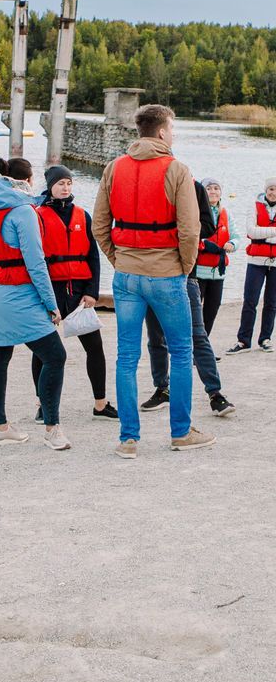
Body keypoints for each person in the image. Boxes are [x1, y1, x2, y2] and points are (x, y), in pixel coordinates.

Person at [92, 102, 214, 457]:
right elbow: (189, 230)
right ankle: (181, 432)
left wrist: (119, 259)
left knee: (126, 357)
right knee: (182, 352)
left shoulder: (114, 167)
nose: (173, 135)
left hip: (127, 275)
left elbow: (99, 225)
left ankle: (128, 439)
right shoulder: (176, 169)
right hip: (166, 274)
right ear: (161, 132)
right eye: (172, 129)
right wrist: (184, 268)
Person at [0, 156, 70, 450]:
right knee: (55, 356)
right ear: (28, 181)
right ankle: (52, 429)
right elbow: (36, 263)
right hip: (19, 295)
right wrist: (51, 304)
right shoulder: (23, 212)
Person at [141, 178, 235, 418]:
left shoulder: (193, 186)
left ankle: (215, 394)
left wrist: (174, 232)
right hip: (151, 273)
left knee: (197, 335)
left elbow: (208, 227)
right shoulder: (147, 185)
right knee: (156, 337)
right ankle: (162, 389)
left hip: (185, 275)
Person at [31, 164, 117, 421]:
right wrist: (43, 297)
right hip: (51, 290)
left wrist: (92, 292)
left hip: (79, 291)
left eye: (68, 183)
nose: (65, 187)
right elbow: (34, 259)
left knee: (95, 347)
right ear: (50, 186)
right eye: (60, 183)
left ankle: (100, 404)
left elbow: (93, 256)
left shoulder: (82, 215)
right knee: (42, 351)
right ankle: (42, 404)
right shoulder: (37, 216)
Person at [227, 178, 276, 354]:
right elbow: (251, 231)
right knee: (250, 301)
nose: (273, 193)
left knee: (271, 303)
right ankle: (243, 341)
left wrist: (263, 233)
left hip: (275, 263)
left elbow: (257, 231)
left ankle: (265, 339)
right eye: (271, 189)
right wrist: (273, 232)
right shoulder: (254, 206)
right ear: (266, 190)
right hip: (256, 261)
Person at [194, 178, 239, 335]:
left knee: (212, 310)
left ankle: (204, 344)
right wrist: (205, 244)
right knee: (194, 311)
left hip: (217, 272)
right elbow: (190, 235)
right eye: (208, 188)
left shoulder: (226, 213)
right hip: (199, 271)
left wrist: (232, 244)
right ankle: (193, 345)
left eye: (216, 188)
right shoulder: (196, 212)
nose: (213, 191)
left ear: (221, 192)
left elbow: (236, 236)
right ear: (202, 192)